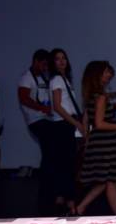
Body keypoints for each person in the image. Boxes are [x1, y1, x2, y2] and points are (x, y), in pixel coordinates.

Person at [76, 61, 116, 215]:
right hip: (106, 145)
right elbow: (99, 123)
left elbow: (86, 120)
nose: (109, 76)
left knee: (106, 182)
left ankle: (81, 208)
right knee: (110, 181)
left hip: (101, 144)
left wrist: (87, 139)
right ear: (97, 75)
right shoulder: (100, 97)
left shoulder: (91, 97)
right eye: (106, 72)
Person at [49, 48, 85, 214]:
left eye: (64, 58)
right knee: (68, 164)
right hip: (63, 125)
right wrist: (75, 123)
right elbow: (57, 106)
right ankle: (69, 201)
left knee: (65, 163)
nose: (62, 61)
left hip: (66, 124)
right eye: (57, 59)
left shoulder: (64, 80)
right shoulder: (57, 80)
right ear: (53, 62)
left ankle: (61, 198)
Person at [18, 49, 53, 209]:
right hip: (37, 120)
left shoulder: (41, 77)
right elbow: (23, 98)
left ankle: (48, 189)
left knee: (50, 153)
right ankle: (44, 191)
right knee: (48, 153)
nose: (46, 67)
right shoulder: (26, 78)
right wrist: (42, 108)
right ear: (36, 61)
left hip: (45, 119)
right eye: (44, 64)